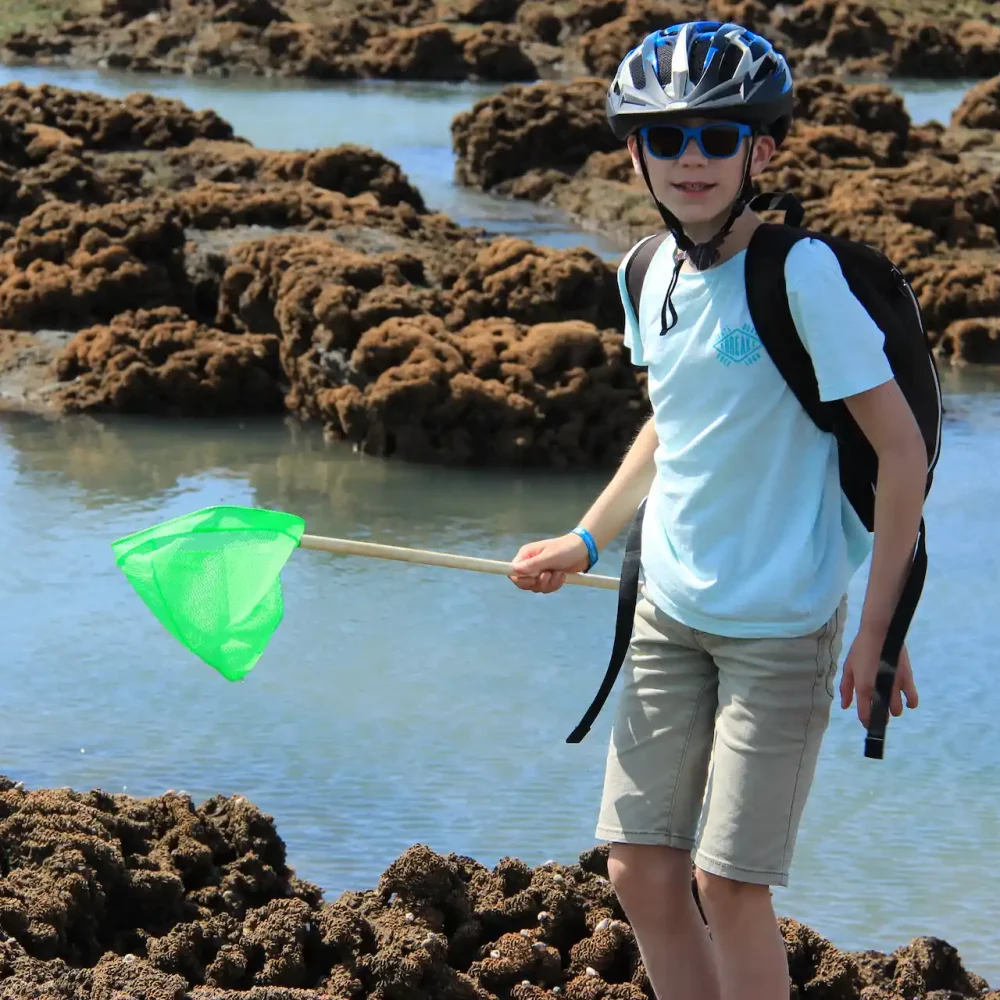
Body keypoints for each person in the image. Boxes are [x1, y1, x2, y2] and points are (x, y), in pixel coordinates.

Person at [508, 21, 927, 1000]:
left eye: (716, 135)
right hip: (664, 610)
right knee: (637, 871)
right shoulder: (642, 272)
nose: (690, 158)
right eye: (665, 138)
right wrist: (585, 536)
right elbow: (669, 425)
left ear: (760, 150)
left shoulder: (802, 277)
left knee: (728, 881)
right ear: (634, 153)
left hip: (781, 629)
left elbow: (899, 448)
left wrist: (878, 622)